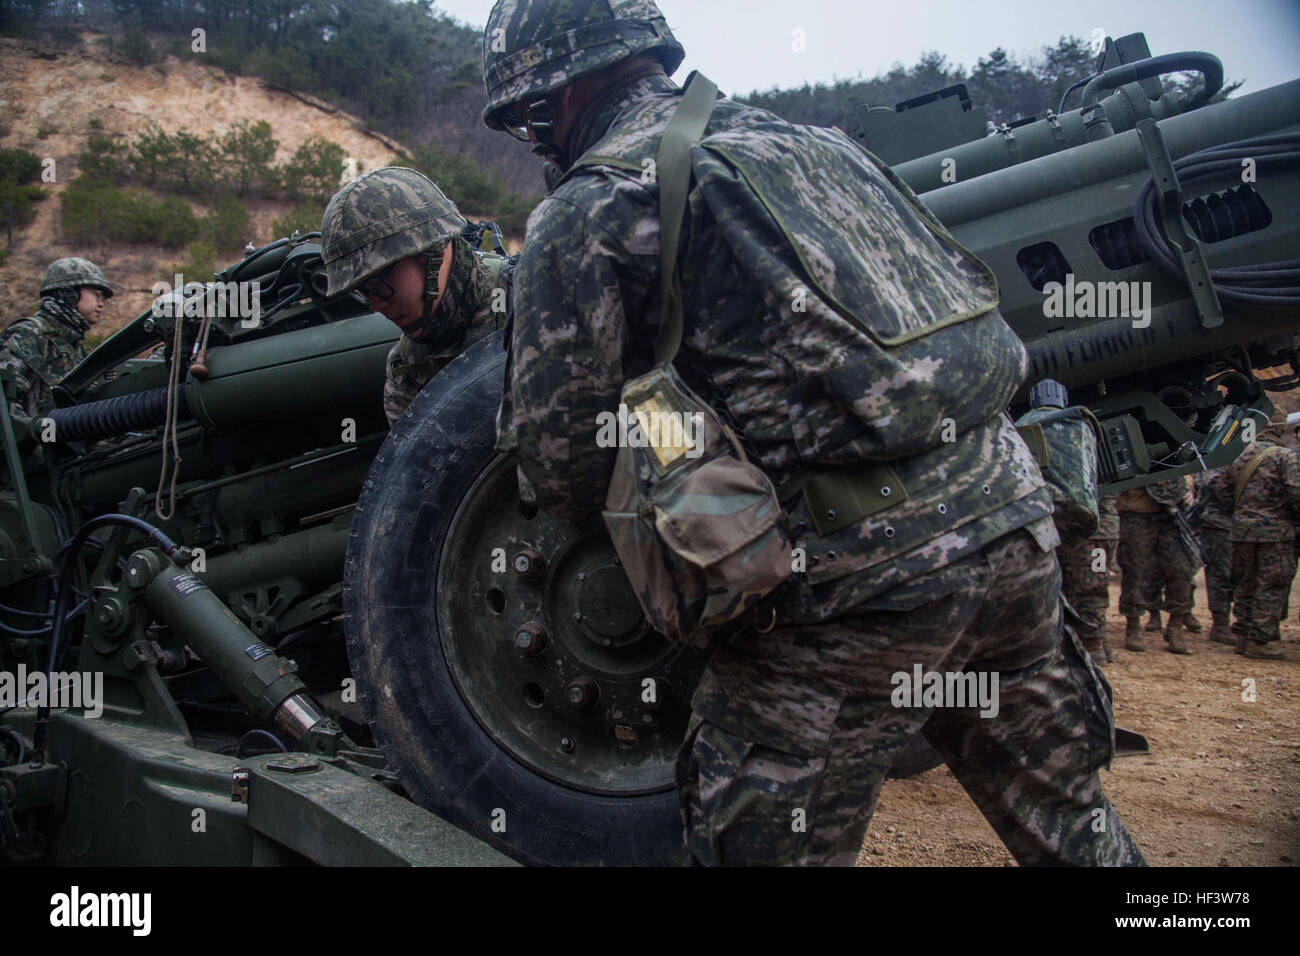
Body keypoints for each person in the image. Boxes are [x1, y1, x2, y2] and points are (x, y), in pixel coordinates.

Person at [481, 0, 1142, 866]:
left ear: (549, 102)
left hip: (847, 598)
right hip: (1014, 532)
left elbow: (563, 466)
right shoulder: (820, 146)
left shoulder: (593, 203)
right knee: (1074, 831)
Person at [319, 167, 509, 425]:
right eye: (362, 289)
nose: (376, 304)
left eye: (379, 281)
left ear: (434, 250)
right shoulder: (407, 368)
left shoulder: (535, 306)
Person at [1222, 410, 1300, 660]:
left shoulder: (1237, 453)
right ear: (1278, 429)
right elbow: (1296, 493)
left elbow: (1221, 492)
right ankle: (1260, 640)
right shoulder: (1284, 457)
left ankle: (1243, 636)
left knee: (1245, 582)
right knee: (1271, 584)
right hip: (1275, 534)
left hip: (1241, 530)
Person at [0, 257, 111, 418]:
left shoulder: (74, 347)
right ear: (70, 294)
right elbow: (5, 404)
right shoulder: (28, 334)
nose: (101, 303)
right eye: (97, 295)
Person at [1116, 477, 1195, 654]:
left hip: (1171, 515)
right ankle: (1133, 627)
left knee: (1182, 569)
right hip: (1137, 513)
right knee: (1135, 570)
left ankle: (1175, 627)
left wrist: (1186, 487)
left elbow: (1188, 467)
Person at [1060, 493, 1118, 667]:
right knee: (1093, 584)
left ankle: (1093, 644)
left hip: (1090, 530)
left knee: (1090, 587)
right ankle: (1099, 638)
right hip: (1099, 529)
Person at [1191, 466, 1236, 645]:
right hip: (1218, 524)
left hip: (1239, 524)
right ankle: (1220, 625)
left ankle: (1241, 625)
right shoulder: (1222, 459)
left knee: (1238, 576)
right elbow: (1210, 484)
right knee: (1219, 575)